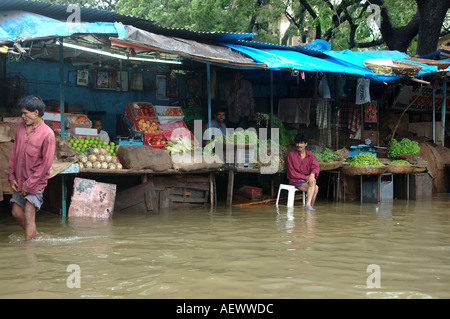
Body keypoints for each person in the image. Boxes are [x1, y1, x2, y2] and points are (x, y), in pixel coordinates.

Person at [8, 95, 56, 240]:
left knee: (29, 212)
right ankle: (34, 235)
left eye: (25, 113)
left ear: (36, 113)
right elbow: (14, 153)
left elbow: (46, 164)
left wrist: (30, 184)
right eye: (22, 113)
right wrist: (11, 176)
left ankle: (29, 252)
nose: (22, 116)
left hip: (35, 181)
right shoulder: (21, 128)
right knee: (16, 212)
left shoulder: (48, 134)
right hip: (19, 179)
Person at [286, 133, 320, 210]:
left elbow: (315, 167)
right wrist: (306, 177)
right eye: (297, 143)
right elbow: (292, 173)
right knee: (315, 187)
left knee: (314, 183)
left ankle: (308, 206)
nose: (299, 145)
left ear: (306, 144)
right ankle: (309, 206)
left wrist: (312, 174)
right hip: (295, 180)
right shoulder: (291, 155)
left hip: (308, 180)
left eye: (301, 143)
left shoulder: (311, 155)